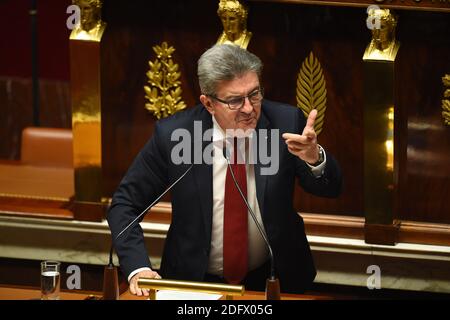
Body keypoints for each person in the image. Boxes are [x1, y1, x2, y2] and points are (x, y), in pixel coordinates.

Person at [107, 44, 342, 296]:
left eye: (254, 94)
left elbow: (331, 189)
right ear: (208, 103)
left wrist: (314, 158)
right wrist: (138, 268)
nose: (249, 109)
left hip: (274, 278)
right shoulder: (175, 136)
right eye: (235, 100)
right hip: (193, 282)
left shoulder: (285, 123)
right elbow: (125, 205)